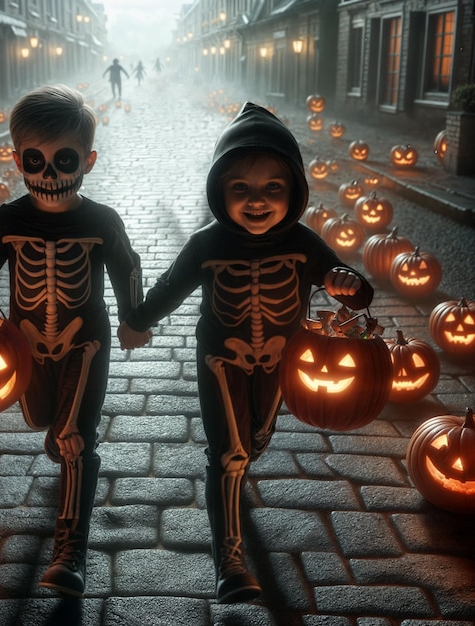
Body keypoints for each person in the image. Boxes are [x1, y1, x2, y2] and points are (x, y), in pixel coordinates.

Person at [117, 102, 374, 604]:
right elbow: (171, 288)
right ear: (221, 191)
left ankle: (248, 454)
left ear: (293, 191)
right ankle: (230, 561)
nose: (257, 200)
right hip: (221, 357)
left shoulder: (304, 243)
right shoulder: (206, 245)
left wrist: (347, 284)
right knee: (228, 454)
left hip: (283, 359)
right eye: (241, 189)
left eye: (272, 188)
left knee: (256, 438)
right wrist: (138, 321)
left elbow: (352, 288)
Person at [0, 84, 145, 598]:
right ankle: (61, 438)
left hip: (84, 343)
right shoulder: (9, 219)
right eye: (36, 160)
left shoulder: (101, 221)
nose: (49, 174)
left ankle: (68, 552)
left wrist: (134, 318)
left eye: (64, 159)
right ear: (18, 160)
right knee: (42, 419)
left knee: (75, 438)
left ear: (88, 161)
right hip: (23, 345)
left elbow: (127, 267)